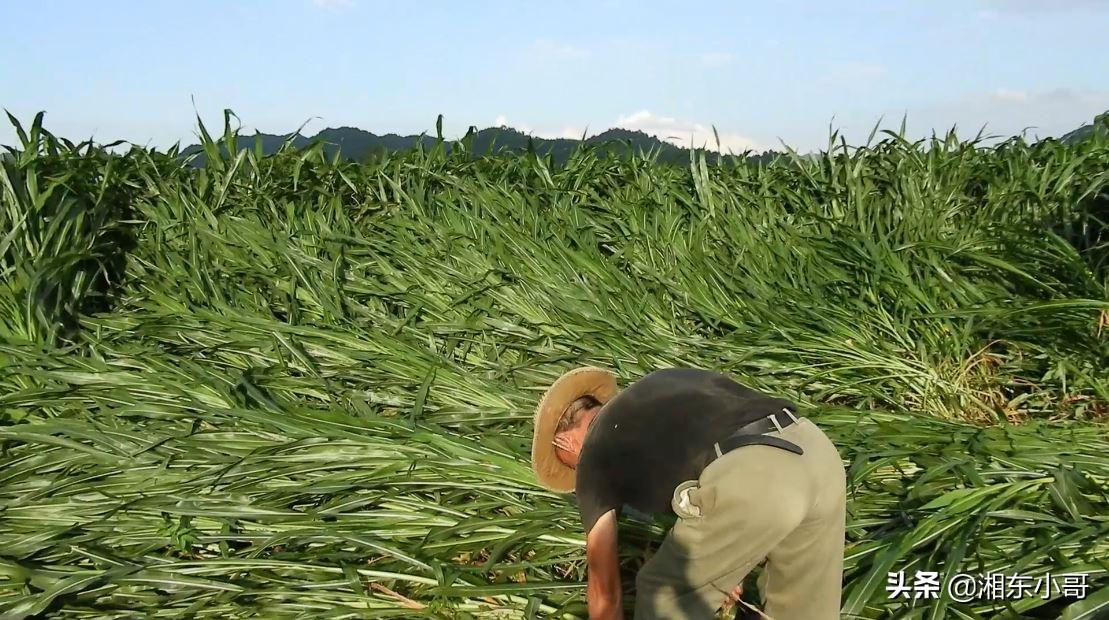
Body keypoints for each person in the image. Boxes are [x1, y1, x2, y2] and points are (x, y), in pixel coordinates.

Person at [530, 366, 847, 620]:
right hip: (816, 451)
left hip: (754, 472)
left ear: (565, 442)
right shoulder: (662, 387)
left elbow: (605, 592)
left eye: (567, 465)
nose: (577, 473)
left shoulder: (593, 453)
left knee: (663, 595)